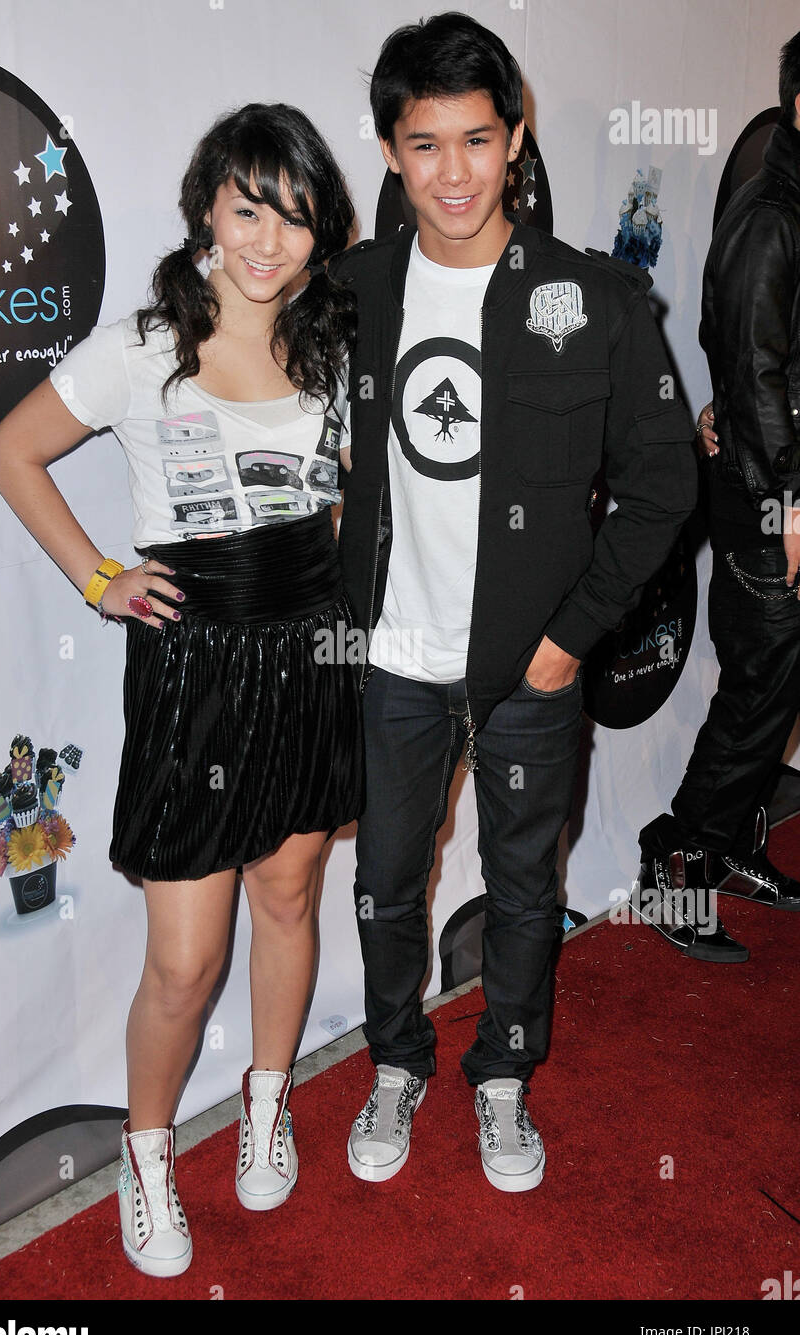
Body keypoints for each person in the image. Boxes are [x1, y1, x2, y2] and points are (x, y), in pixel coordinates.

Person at [0, 104, 361, 1275]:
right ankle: (147, 1158)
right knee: (185, 960)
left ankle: (263, 1099)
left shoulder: (336, 342)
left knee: (291, 897)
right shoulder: (142, 345)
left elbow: (346, 499)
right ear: (207, 206)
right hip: (195, 666)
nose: (267, 241)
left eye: (293, 219)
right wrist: (99, 576)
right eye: (248, 209)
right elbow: (12, 450)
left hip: (310, 649)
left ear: (320, 233)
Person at [330, 12, 698, 1192]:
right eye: (423, 144)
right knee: (386, 881)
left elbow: (662, 488)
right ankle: (396, 1059)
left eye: (476, 140)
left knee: (524, 887)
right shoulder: (348, 292)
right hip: (391, 659)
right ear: (390, 150)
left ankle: (501, 1075)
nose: (452, 173)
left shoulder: (590, 299)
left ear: (515, 136)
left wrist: (561, 647)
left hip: (528, 672)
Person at [636, 32, 800, 963]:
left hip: (777, 476)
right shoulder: (773, 212)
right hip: (767, 493)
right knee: (760, 686)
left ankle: (731, 844)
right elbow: (746, 359)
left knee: (781, 686)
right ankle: (679, 858)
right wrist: (787, 496)